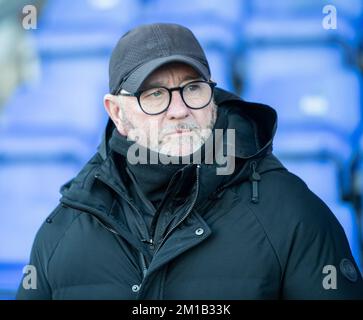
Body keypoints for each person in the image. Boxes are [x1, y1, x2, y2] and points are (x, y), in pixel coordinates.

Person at [17, 23, 363, 300]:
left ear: (212, 97)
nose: (180, 109)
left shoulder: (291, 212)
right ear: (117, 113)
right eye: (154, 94)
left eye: (193, 88)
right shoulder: (65, 229)